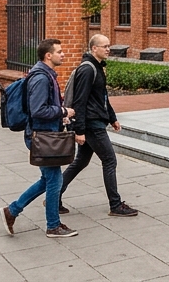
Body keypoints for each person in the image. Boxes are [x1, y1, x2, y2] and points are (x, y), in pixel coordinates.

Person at [2, 38, 78, 238]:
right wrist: (63, 111)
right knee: (55, 180)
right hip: (41, 136)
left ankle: (12, 211)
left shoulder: (45, 75)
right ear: (48, 55)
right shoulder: (41, 78)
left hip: (45, 133)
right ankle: (52, 225)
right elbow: (38, 110)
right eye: (59, 52)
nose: (63, 55)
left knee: (48, 180)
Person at [60, 34, 138, 217]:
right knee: (109, 160)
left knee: (81, 161)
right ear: (94, 48)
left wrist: (112, 118)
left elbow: (102, 97)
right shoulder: (88, 69)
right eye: (104, 46)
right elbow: (80, 101)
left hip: (94, 120)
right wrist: (79, 130)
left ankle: (54, 197)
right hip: (91, 124)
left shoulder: (97, 67)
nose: (108, 49)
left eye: (109, 46)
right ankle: (115, 205)